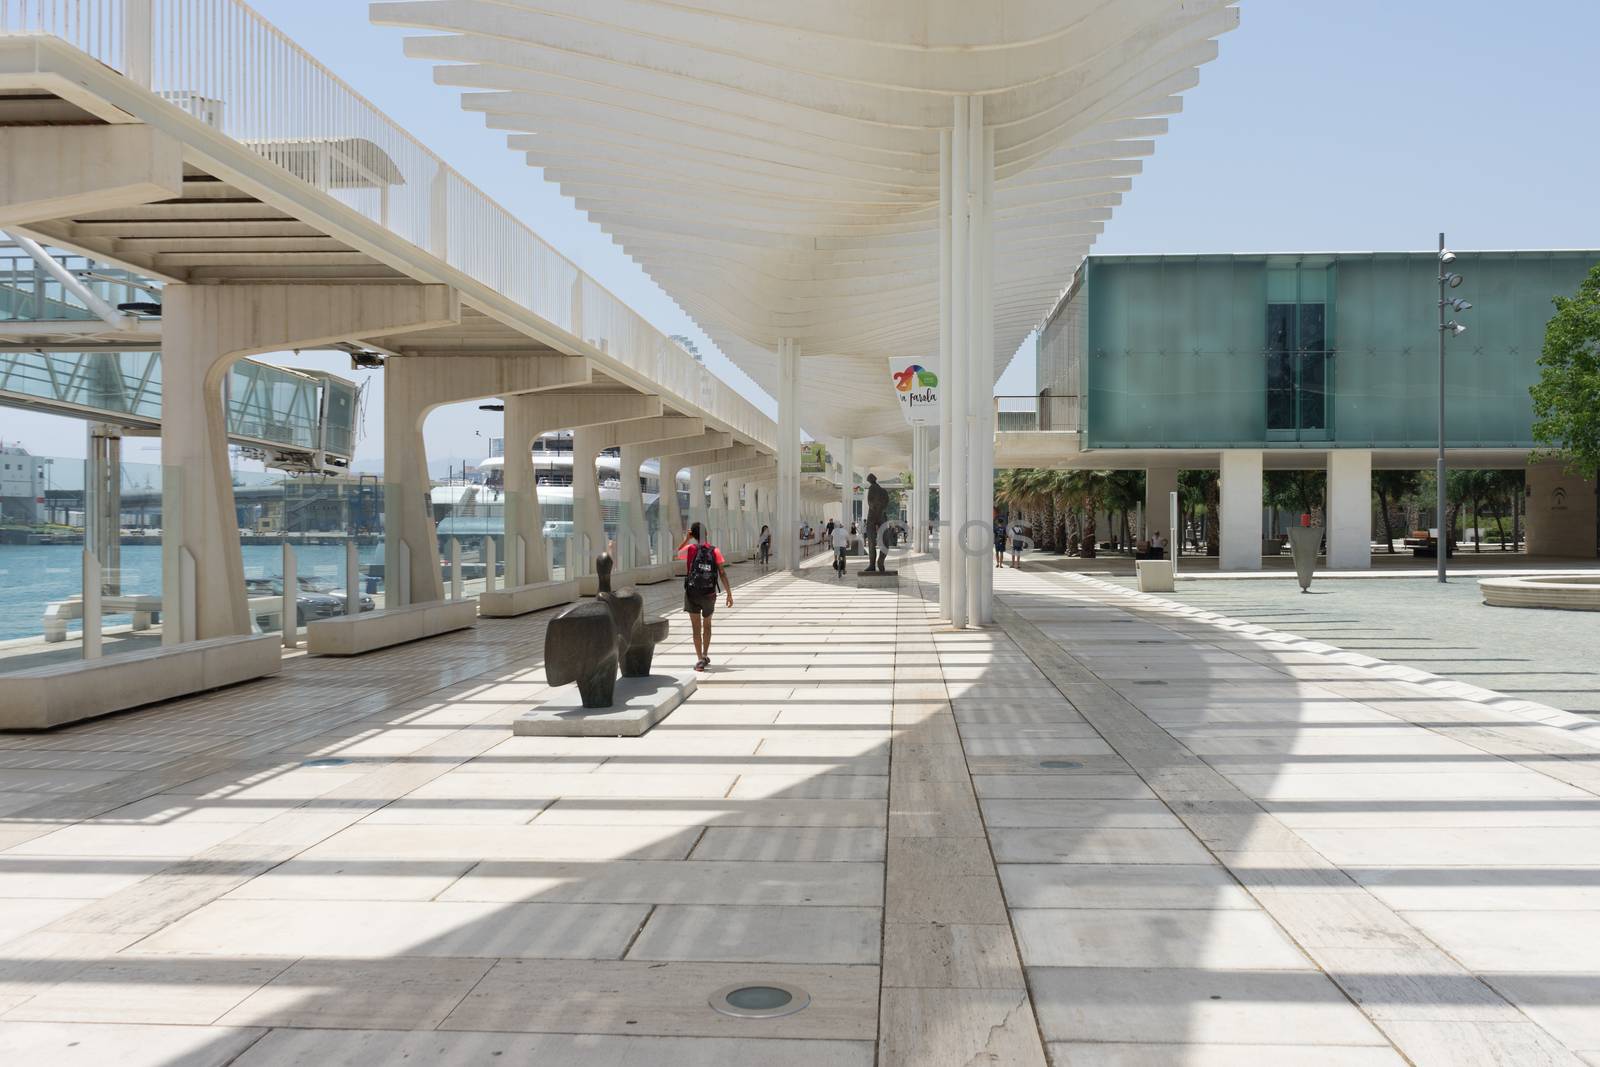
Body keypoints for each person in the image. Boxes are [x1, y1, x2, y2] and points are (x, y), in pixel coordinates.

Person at [677, 522, 732, 671]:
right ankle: (705, 654)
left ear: (693, 535)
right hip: (709, 594)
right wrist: (729, 593)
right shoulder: (715, 551)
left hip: (692, 593)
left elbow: (677, 553)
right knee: (707, 625)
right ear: (706, 534)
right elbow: (722, 573)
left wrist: (686, 539)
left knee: (696, 628)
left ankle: (700, 658)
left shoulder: (690, 549)